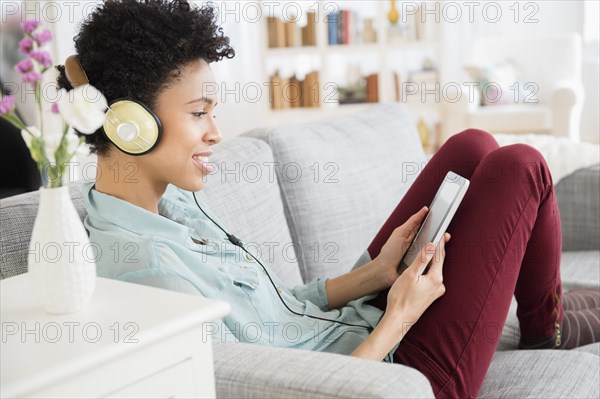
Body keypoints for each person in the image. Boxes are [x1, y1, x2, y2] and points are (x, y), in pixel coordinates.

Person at [55, 1, 600, 397]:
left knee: (472, 146)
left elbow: (277, 315)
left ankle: (544, 311)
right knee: (521, 166)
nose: (216, 132)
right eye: (200, 113)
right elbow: (284, 387)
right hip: (395, 374)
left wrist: (379, 273)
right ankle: (545, 326)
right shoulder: (151, 275)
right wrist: (400, 317)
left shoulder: (168, 206)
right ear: (129, 127)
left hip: (365, 324)